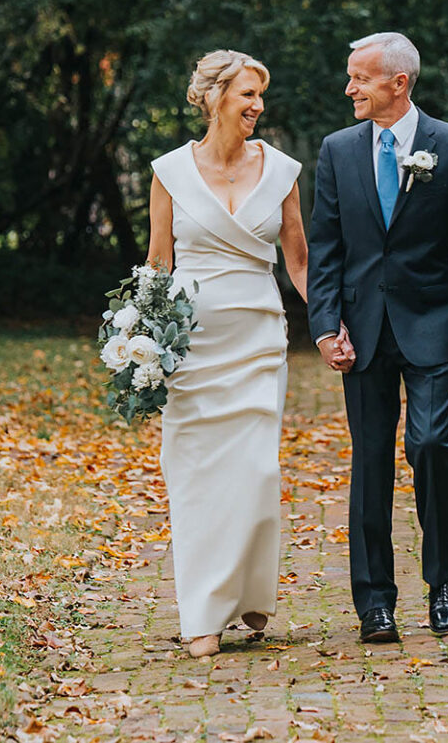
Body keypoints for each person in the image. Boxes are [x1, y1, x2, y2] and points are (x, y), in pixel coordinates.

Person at [306, 32, 448, 644]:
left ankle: (443, 583)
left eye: (360, 78)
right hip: (361, 330)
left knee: (433, 442)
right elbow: (327, 248)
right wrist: (323, 325)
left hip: (435, 326)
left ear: (399, 83)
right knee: (370, 464)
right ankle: (375, 603)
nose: (349, 89)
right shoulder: (337, 151)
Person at [146, 49, 308, 659]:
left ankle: (250, 594)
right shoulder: (169, 172)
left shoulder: (283, 171)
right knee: (195, 478)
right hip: (191, 349)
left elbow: (298, 261)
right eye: (247, 95)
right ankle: (203, 616)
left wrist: (329, 324)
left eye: (261, 97)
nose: (258, 107)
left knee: (257, 473)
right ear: (214, 98)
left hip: (259, 340)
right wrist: (143, 341)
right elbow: (159, 264)